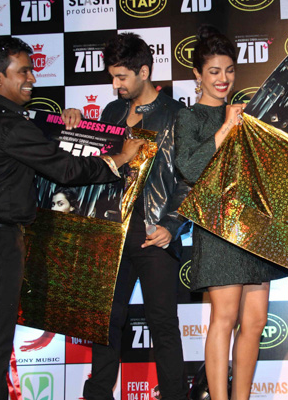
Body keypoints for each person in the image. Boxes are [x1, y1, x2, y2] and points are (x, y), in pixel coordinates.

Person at [0, 36, 143, 400]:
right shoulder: (8, 123)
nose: (32, 78)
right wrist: (119, 159)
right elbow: (65, 169)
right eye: (23, 71)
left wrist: (68, 124)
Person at [174, 25, 288, 400]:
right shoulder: (190, 118)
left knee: (254, 323)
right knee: (223, 319)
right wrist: (226, 127)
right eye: (213, 71)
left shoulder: (250, 114)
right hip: (218, 230)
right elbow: (189, 168)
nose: (223, 78)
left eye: (229, 70)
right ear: (197, 74)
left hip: (254, 230)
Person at [83, 32, 189, 400]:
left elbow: (190, 179)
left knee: (163, 323)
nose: (116, 84)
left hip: (152, 230)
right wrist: (75, 123)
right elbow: (99, 164)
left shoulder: (175, 114)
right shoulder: (112, 112)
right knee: (105, 321)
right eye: (113, 77)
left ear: (144, 72)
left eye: (121, 77)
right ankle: (97, 395)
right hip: (113, 231)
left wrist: (171, 225)